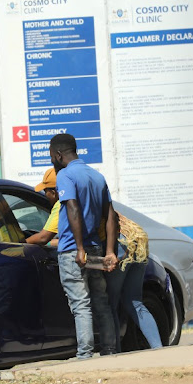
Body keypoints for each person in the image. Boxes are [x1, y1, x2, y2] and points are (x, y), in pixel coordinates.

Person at [49, 133, 118, 359]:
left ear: (58, 155)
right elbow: (110, 216)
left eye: (51, 156)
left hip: (72, 251)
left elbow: (73, 208)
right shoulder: (96, 176)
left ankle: (85, 356)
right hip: (96, 249)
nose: (52, 160)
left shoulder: (65, 175)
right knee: (101, 302)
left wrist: (79, 248)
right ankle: (109, 350)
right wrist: (109, 251)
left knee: (81, 305)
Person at [105, 213, 163, 351]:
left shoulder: (76, 202)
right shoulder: (103, 198)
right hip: (138, 238)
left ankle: (114, 351)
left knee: (109, 303)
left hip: (122, 242)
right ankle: (158, 347)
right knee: (135, 302)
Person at [25, 167, 59, 248]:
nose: (45, 195)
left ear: (53, 193)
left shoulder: (60, 205)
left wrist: (22, 243)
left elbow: (43, 238)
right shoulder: (77, 200)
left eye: (45, 191)